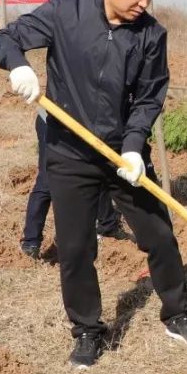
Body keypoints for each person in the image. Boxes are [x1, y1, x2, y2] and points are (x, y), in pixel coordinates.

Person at [0, 0, 187, 369]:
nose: (144, 3)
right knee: (76, 248)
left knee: (160, 236)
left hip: (122, 153)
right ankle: (88, 331)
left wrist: (133, 146)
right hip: (68, 152)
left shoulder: (151, 34)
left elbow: (149, 97)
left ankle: (177, 313)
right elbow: (6, 37)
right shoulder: (64, 13)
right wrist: (18, 65)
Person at [20, 105, 127, 260]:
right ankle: (31, 242)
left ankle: (108, 225)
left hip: (87, 123)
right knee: (47, 181)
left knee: (100, 169)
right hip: (54, 122)